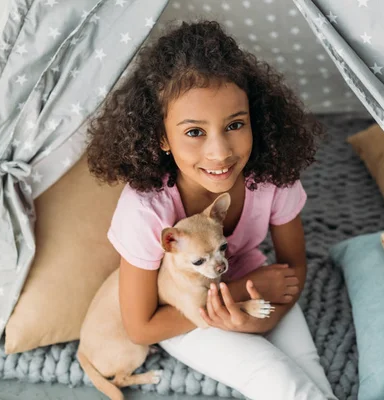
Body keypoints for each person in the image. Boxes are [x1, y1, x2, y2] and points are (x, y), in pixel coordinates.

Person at [86, 20, 336, 400]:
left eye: (235, 124)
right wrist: (237, 296)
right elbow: (141, 328)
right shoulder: (145, 210)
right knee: (279, 380)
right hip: (181, 314)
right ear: (161, 138)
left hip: (256, 286)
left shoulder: (270, 179)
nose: (220, 153)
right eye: (194, 131)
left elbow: (293, 268)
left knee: (310, 372)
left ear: (257, 120)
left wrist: (263, 315)